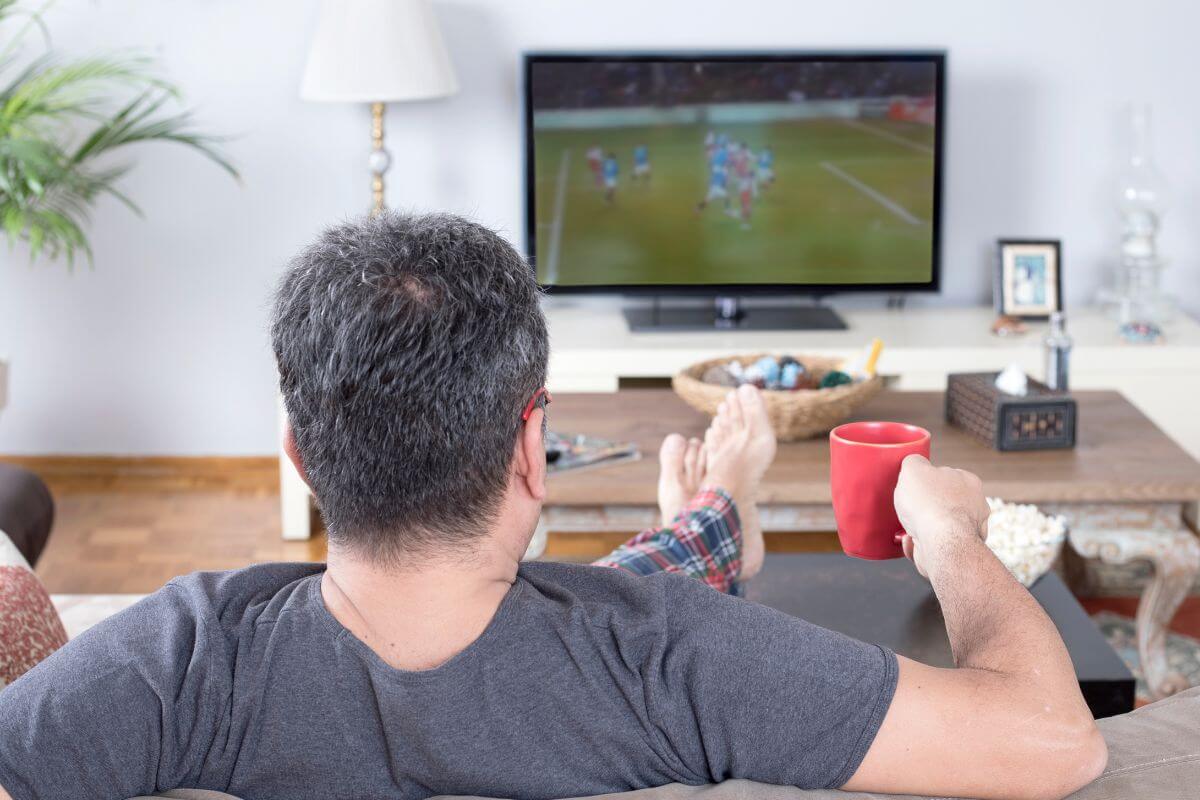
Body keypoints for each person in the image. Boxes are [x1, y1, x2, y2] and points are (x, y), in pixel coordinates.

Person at [0, 214, 1106, 800]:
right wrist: (953, 533)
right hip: (619, 631)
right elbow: (1056, 745)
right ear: (535, 449)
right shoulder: (668, 655)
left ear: (300, 456)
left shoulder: (182, 656)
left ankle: (719, 513)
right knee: (623, 592)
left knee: (635, 576)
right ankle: (724, 510)